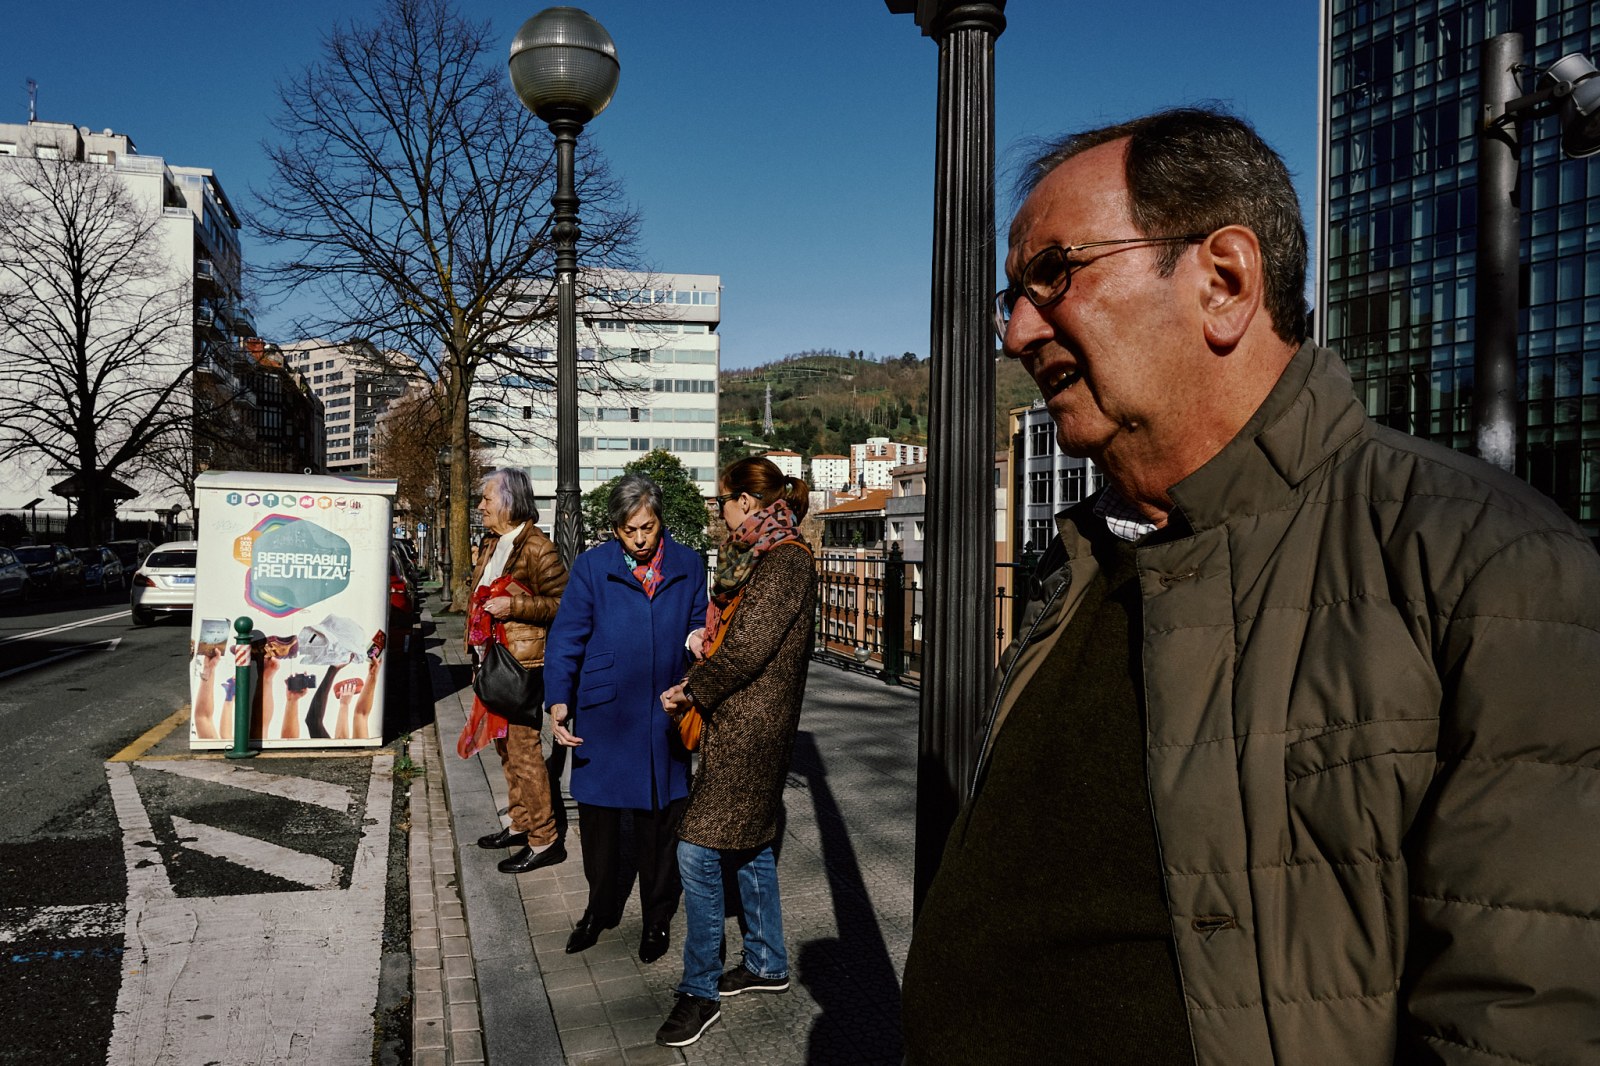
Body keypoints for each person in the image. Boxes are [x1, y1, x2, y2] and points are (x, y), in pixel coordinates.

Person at [900, 107, 1600, 1064]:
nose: (1020, 331)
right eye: (1012, 296)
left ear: (1224, 282)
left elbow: (1522, 1020)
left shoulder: (1488, 563)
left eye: (1055, 274)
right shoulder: (1078, 564)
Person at [652, 457, 817, 1049]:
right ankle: (767, 962)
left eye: (722, 501)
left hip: (754, 729)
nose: (718, 512)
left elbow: (748, 649)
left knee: (697, 848)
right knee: (750, 842)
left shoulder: (786, 560)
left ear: (746, 502)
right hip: (744, 721)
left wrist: (692, 688)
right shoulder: (760, 556)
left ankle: (699, 990)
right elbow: (738, 639)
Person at [544, 475, 709, 963]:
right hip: (605, 713)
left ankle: (657, 918)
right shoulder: (592, 566)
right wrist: (558, 701)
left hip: (664, 711)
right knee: (599, 826)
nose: (639, 539)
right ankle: (598, 909)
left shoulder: (688, 563)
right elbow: (567, 638)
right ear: (615, 528)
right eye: (628, 530)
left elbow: (698, 623)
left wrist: (695, 644)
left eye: (647, 528)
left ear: (660, 521)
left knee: (661, 825)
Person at [462, 467, 568, 875]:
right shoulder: (494, 543)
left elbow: (563, 604)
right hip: (493, 661)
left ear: (508, 502)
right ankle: (521, 822)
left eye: (487, 499)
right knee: (505, 749)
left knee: (525, 752)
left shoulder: (538, 548)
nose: (481, 506)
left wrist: (514, 606)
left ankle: (545, 839)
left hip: (521, 666)